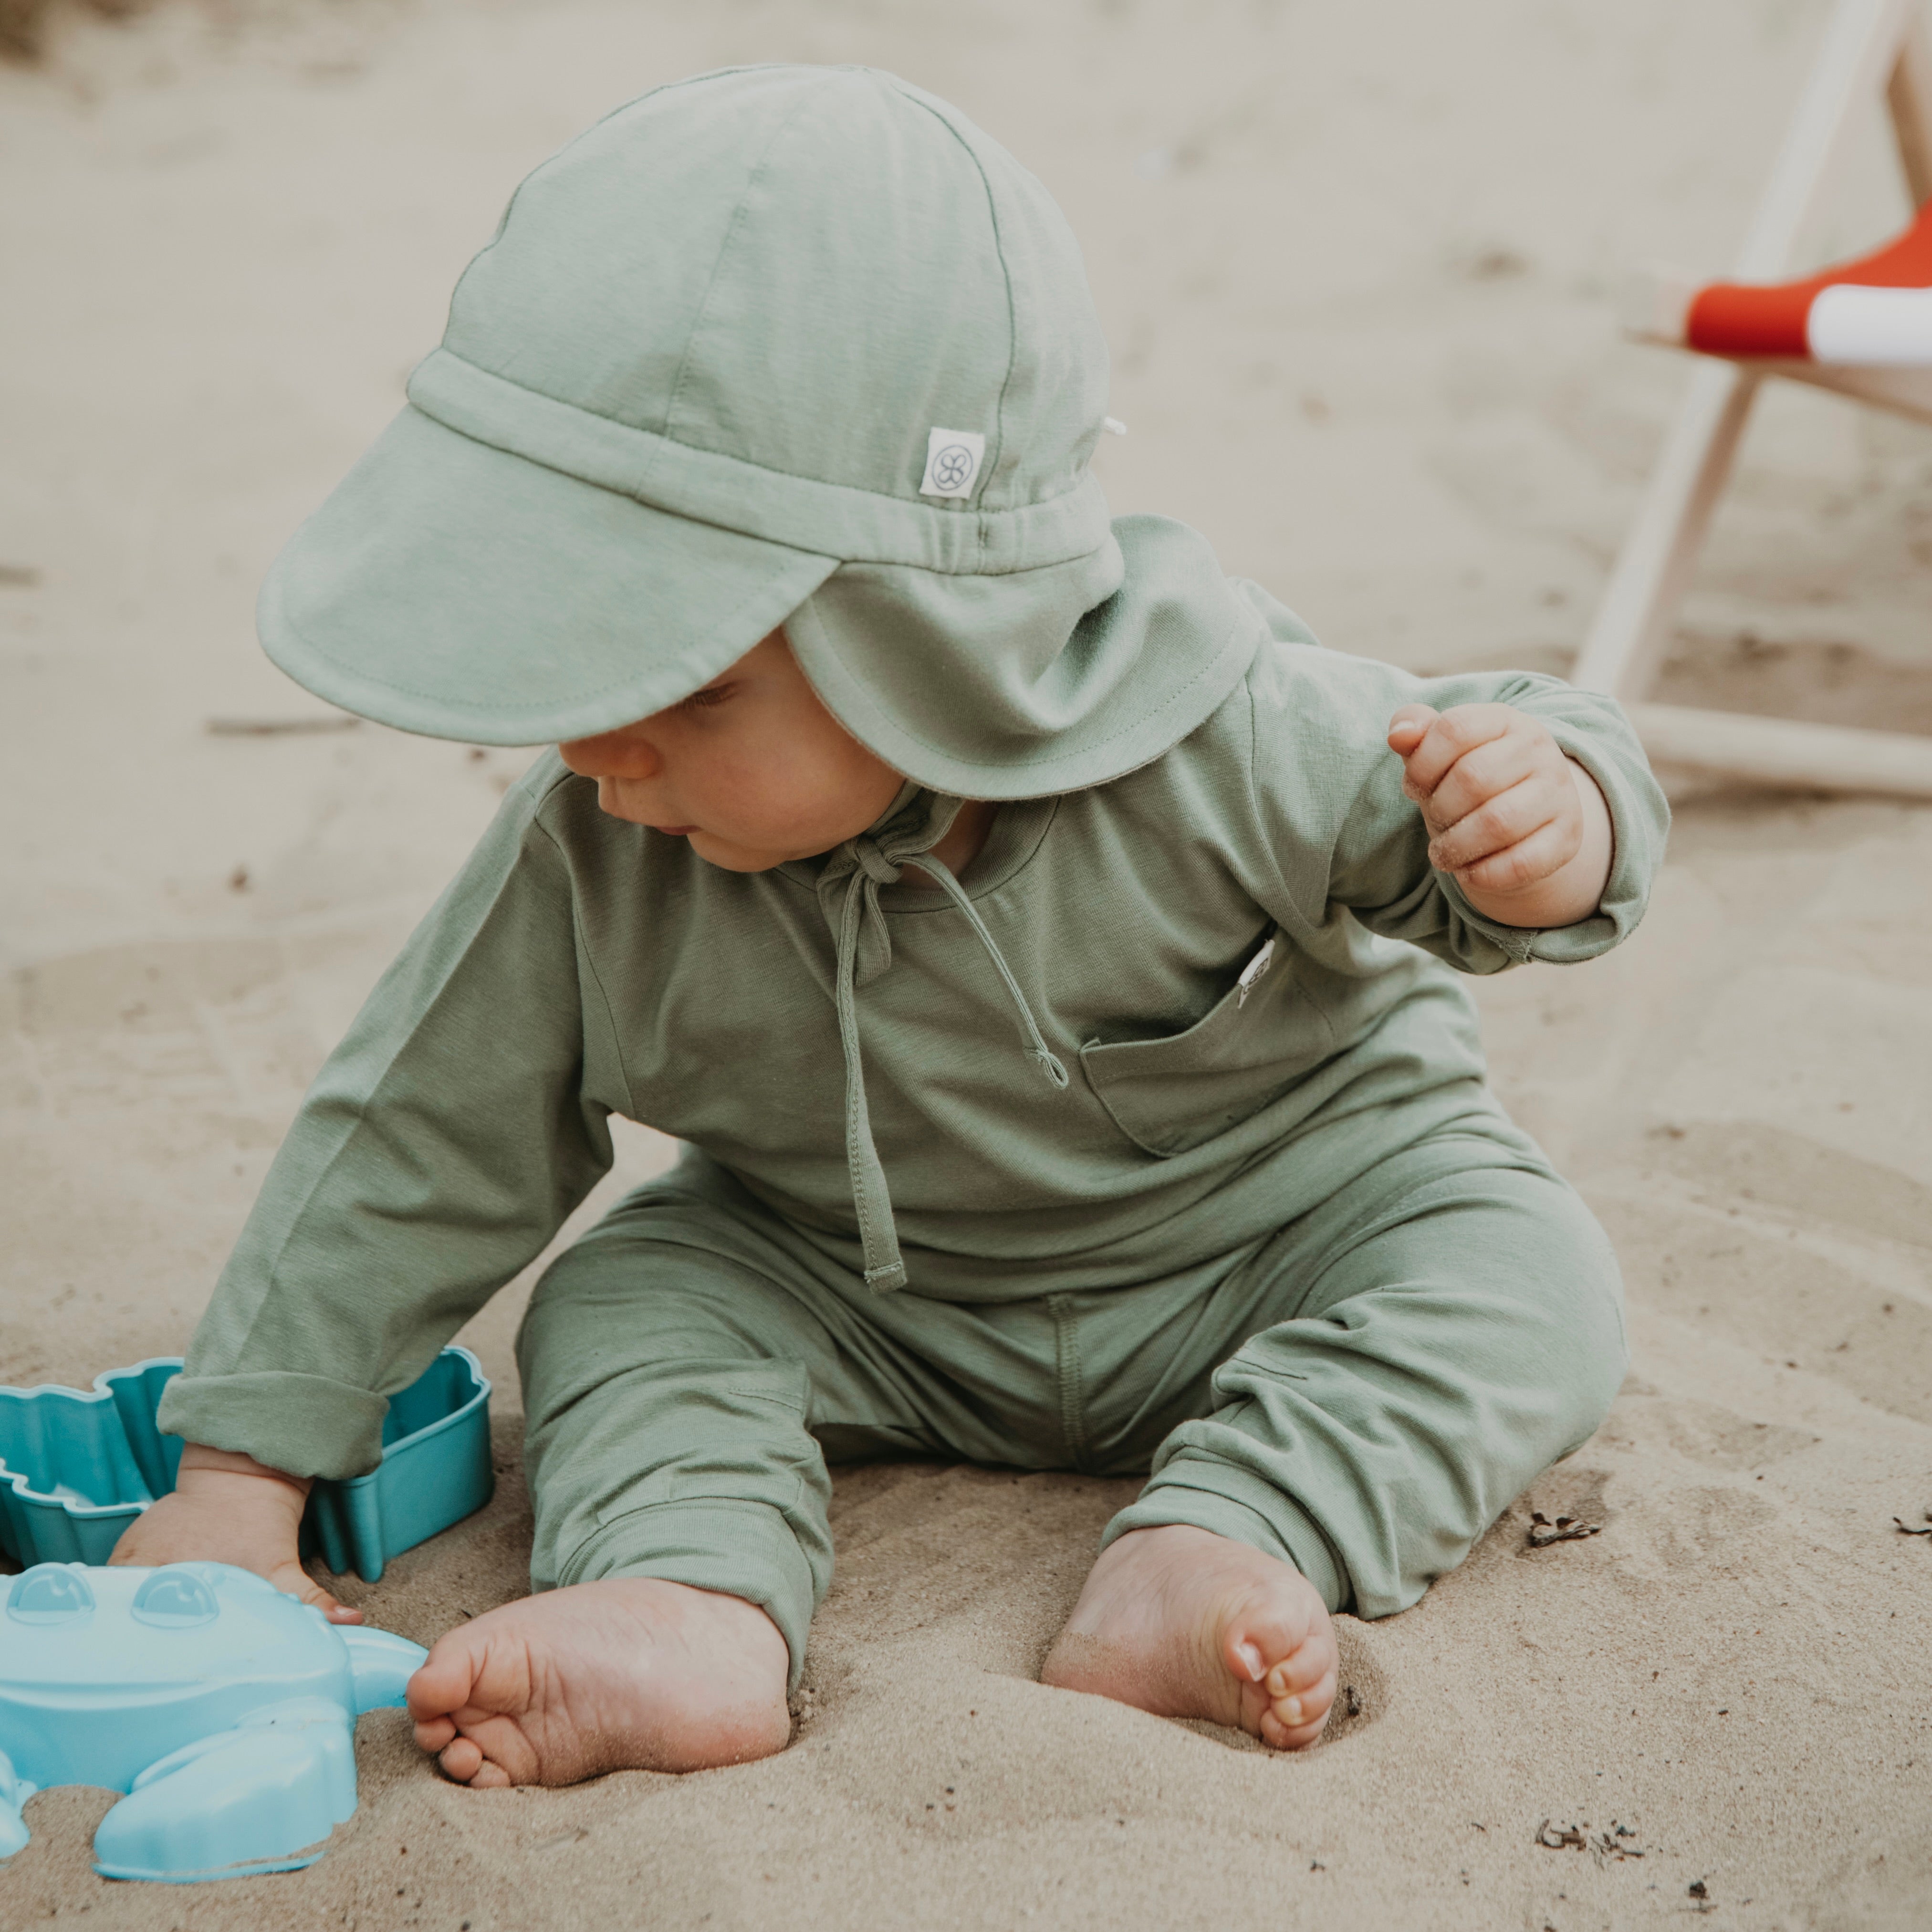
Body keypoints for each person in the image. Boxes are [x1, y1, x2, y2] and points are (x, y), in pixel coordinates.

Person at [109, 64, 1667, 1784]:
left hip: (1282, 1239)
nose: (597, 748)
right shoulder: (602, 840)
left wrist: (1550, 825)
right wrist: (235, 1487)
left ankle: (1223, 1537)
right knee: (626, 1296)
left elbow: (1507, 751)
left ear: (927, 632)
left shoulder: (1216, 723)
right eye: (568, 665)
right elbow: (416, 1125)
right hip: (860, 1287)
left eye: (680, 682)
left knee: (1524, 1274)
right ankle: (685, 1599)